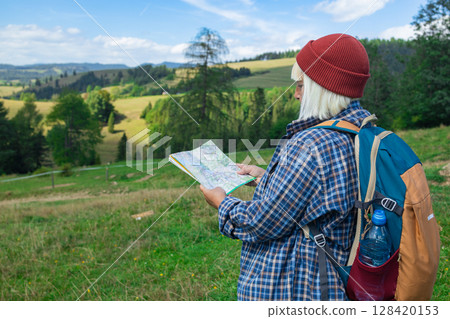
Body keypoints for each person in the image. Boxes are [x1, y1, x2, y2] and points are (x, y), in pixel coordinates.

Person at [200, 33, 372, 300]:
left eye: (302, 86)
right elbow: (320, 195)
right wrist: (267, 177)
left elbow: (261, 222)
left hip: (295, 289)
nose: (295, 94)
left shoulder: (310, 144)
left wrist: (222, 203)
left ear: (321, 88)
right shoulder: (360, 131)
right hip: (334, 282)